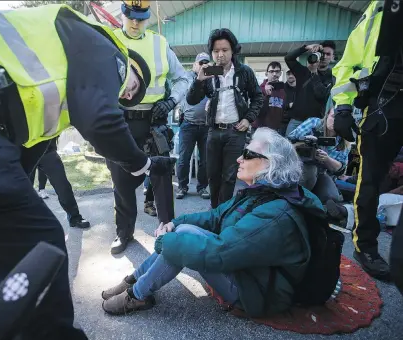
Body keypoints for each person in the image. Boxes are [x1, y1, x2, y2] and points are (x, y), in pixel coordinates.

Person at [0, 5, 175, 340]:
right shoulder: (106, 48)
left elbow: (23, 162)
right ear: (129, 65)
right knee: (43, 246)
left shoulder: (52, 84)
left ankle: (0, 323)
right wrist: (142, 165)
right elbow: (101, 120)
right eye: (133, 86)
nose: (128, 96)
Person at [100, 128, 325, 317]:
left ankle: (137, 295)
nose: (239, 158)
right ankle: (134, 280)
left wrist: (166, 241)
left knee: (184, 240)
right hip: (251, 273)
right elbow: (215, 217)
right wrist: (174, 223)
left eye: (247, 153)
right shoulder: (265, 193)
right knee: (183, 232)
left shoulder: (276, 213)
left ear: (270, 164)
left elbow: (220, 252)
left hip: (258, 293)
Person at [107, 0, 189, 254]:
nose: (135, 23)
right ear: (122, 14)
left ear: (148, 18)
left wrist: (172, 100)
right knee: (121, 183)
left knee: (162, 179)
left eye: (141, 18)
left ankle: (167, 232)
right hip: (120, 122)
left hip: (154, 121)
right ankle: (124, 233)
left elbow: (183, 77)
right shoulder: (107, 40)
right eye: (130, 17)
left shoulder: (159, 43)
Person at [331, 0, 403, 281]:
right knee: (370, 180)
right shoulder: (379, 11)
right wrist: (343, 107)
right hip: (384, 105)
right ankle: (366, 247)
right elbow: (348, 64)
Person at [187, 28, 264, 208]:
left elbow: (258, 97)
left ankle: (224, 213)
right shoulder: (208, 73)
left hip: (235, 132)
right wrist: (198, 80)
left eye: (224, 50)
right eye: (215, 51)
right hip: (213, 131)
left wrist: (248, 119)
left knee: (229, 177)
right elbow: (192, 100)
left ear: (233, 51)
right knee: (212, 175)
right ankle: (215, 211)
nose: (220, 55)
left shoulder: (244, 72)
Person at [287, 99, 351, 204]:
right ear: (327, 116)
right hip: (300, 165)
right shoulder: (314, 123)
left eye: (338, 119)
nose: (334, 121)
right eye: (333, 117)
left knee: (332, 198)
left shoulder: (344, 140)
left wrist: (326, 159)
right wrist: (305, 141)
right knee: (308, 175)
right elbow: (287, 142)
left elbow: (340, 169)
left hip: (322, 172)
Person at [32, 137, 90, 228]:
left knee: (63, 186)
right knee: (22, 189)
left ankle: (75, 218)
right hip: (22, 150)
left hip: (46, 149)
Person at [176, 52, 211, 200]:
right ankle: (182, 187)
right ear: (195, 65)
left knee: (205, 160)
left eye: (206, 63)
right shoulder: (187, 78)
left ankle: (202, 187)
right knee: (184, 158)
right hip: (188, 125)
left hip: (206, 126)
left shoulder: (213, 79)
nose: (204, 65)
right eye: (201, 62)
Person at [284, 40, 336, 135]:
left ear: (333, 57)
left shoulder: (332, 77)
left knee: (314, 150)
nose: (324, 57)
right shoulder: (304, 72)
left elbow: (321, 95)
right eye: (322, 53)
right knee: (288, 149)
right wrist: (306, 48)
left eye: (328, 54)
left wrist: (314, 72)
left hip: (316, 123)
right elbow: (288, 58)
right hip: (296, 121)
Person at [254, 61, 287, 133]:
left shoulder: (283, 91)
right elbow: (258, 112)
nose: (274, 74)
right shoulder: (259, 89)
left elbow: (284, 110)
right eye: (271, 71)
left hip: (276, 130)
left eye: (277, 71)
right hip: (260, 129)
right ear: (266, 74)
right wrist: (267, 95)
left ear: (280, 73)